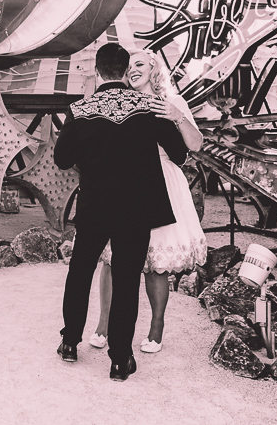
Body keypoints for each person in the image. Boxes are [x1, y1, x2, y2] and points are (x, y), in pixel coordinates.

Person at [53, 43, 188, 381]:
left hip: (94, 205)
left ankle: (70, 343)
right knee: (127, 279)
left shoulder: (81, 109)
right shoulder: (149, 107)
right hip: (136, 208)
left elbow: (62, 159)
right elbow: (179, 154)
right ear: (126, 70)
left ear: (97, 71)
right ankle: (120, 360)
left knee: (80, 272)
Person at [87, 49, 207, 353]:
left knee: (156, 263)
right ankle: (104, 324)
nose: (133, 69)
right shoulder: (120, 102)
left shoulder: (172, 101)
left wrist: (177, 116)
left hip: (163, 182)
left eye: (139, 64)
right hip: (125, 181)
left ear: (154, 68)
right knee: (112, 259)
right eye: (129, 66)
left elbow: (195, 145)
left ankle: (156, 328)